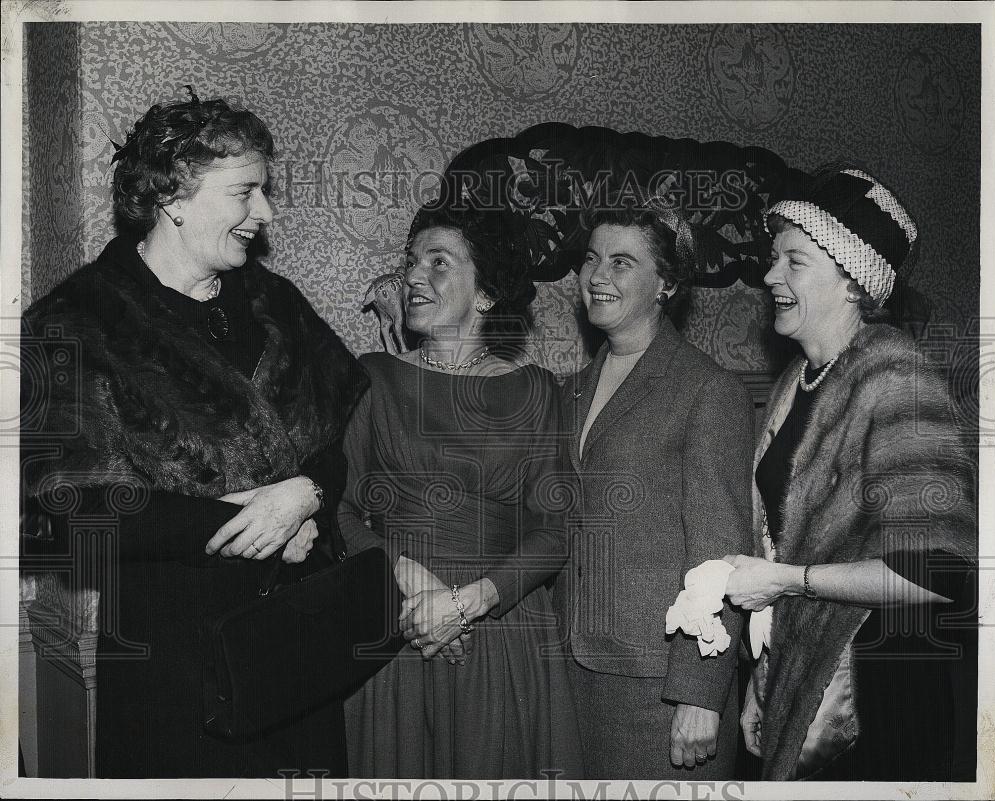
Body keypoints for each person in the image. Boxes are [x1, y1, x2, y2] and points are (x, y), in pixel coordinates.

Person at [20, 90, 379, 777]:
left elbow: (334, 442)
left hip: (300, 638)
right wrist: (251, 519)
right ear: (173, 195)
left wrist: (305, 494)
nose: (265, 214)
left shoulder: (277, 305)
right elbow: (63, 516)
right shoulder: (72, 323)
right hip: (173, 658)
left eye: (265, 192)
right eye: (246, 192)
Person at [724, 167, 977, 780]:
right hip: (803, 673)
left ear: (853, 280)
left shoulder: (898, 379)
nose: (769, 276)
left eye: (794, 261)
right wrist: (767, 678)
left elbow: (937, 575)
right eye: (773, 258)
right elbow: (781, 539)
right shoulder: (797, 382)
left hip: (879, 692)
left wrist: (787, 579)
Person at [339, 203, 584, 779]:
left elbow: (556, 531)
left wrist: (467, 603)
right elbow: (342, 510)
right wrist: (402, 571)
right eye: (411, 262)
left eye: (439, 262)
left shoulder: (535, 390)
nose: (415, 278)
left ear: (487, 295)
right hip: (394, 632)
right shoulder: (372, 377)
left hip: (499, 634)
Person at [556, 200, 754, 779]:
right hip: (572, 669)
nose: (597, 276)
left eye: (622, 262)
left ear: (666, 283)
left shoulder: (706, 390)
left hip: (660, 685)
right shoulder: (570, 390)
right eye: (592, 259)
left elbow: (720, 551)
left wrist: (700, 690)